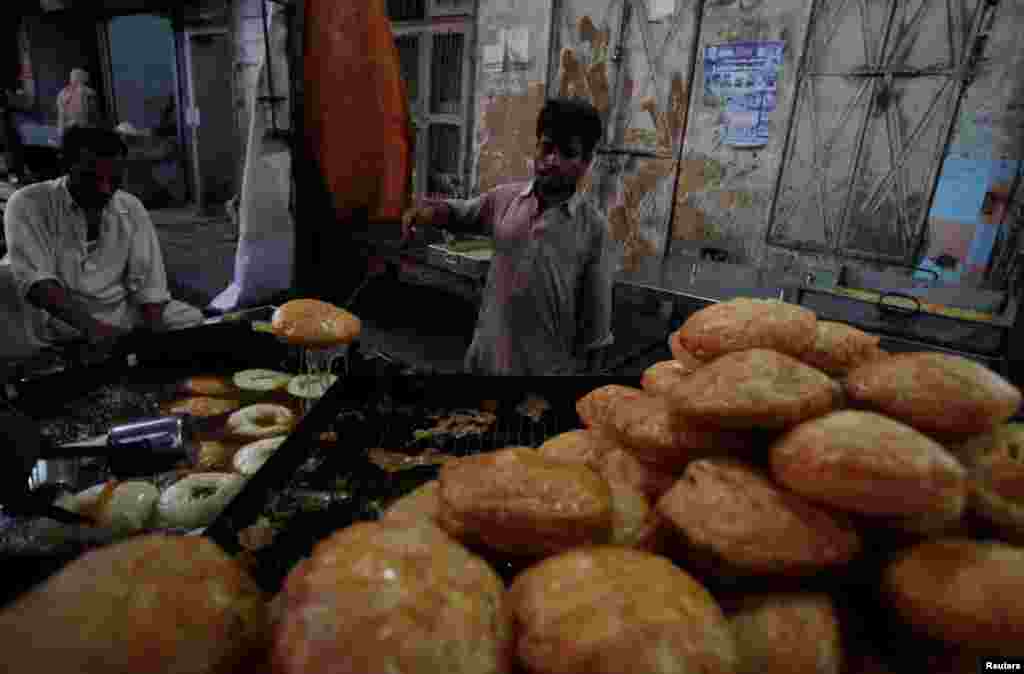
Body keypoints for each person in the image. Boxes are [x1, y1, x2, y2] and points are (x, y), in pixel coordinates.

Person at [402, 97, 614, 375]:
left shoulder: (592, 228)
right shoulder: (506, 199)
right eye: (547, 147)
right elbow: (462, 213)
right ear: (537, 147)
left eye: (568, 153)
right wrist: (426, 213)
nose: (552, 160)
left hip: (543, 373)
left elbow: (596, 325)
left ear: (586, 162)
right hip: (484, 362)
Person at [2, 124, 202, 358]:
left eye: (114, 179)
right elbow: (37, 283)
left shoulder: (130, 206)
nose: (105, 189)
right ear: (65, 164)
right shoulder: (28, 203)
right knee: (6, 288)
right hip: (59, 319)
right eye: (91, 178)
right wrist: (95, 331)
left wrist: (151, 341)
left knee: (189, 320)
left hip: (119, 315)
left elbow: (150, 286)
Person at [56, 68, 101, 135]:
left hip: (80, 127)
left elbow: (94, 112)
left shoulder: (88, 92)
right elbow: (61, 113)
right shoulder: (88, 92)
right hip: (75, 127)